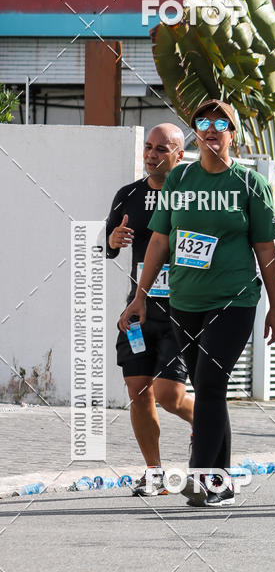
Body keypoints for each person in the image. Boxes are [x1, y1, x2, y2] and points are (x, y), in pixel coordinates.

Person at [118, 99, 275, 507]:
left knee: (210, 382)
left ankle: (200, 474)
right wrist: (140, 296)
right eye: (203, 122)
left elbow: (266, 250)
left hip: (234, 300)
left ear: (233, 133)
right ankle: (221, 482)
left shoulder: (249, 184)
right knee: (210, 389)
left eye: (220, 123)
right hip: (185, 301)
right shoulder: (180, 181)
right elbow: (160, 240)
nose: (210, 129)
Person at [106, 123, 195, 496]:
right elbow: (109, 245)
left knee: (168, 395)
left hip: (182, 309)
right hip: (140, 310)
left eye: (162, 149)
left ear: (179, 154)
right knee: (138, 391)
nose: (152, 155)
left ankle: (206, 421)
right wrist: (113, 239)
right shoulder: (128, 195)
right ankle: (154, 472)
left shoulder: (193, 194)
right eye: (148, 147)